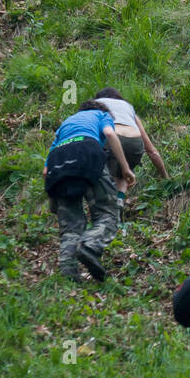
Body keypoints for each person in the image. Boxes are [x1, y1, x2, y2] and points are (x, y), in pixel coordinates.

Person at [43, 98, 136, 281]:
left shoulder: (65, 124)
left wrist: (53, 201)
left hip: (58, 160)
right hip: (87, 151)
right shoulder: (102, 115)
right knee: (108, 212)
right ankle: (90, 246)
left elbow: (46, 171)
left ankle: (68, 275)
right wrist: (125, 168)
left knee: (70, 224)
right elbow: (109, 133)